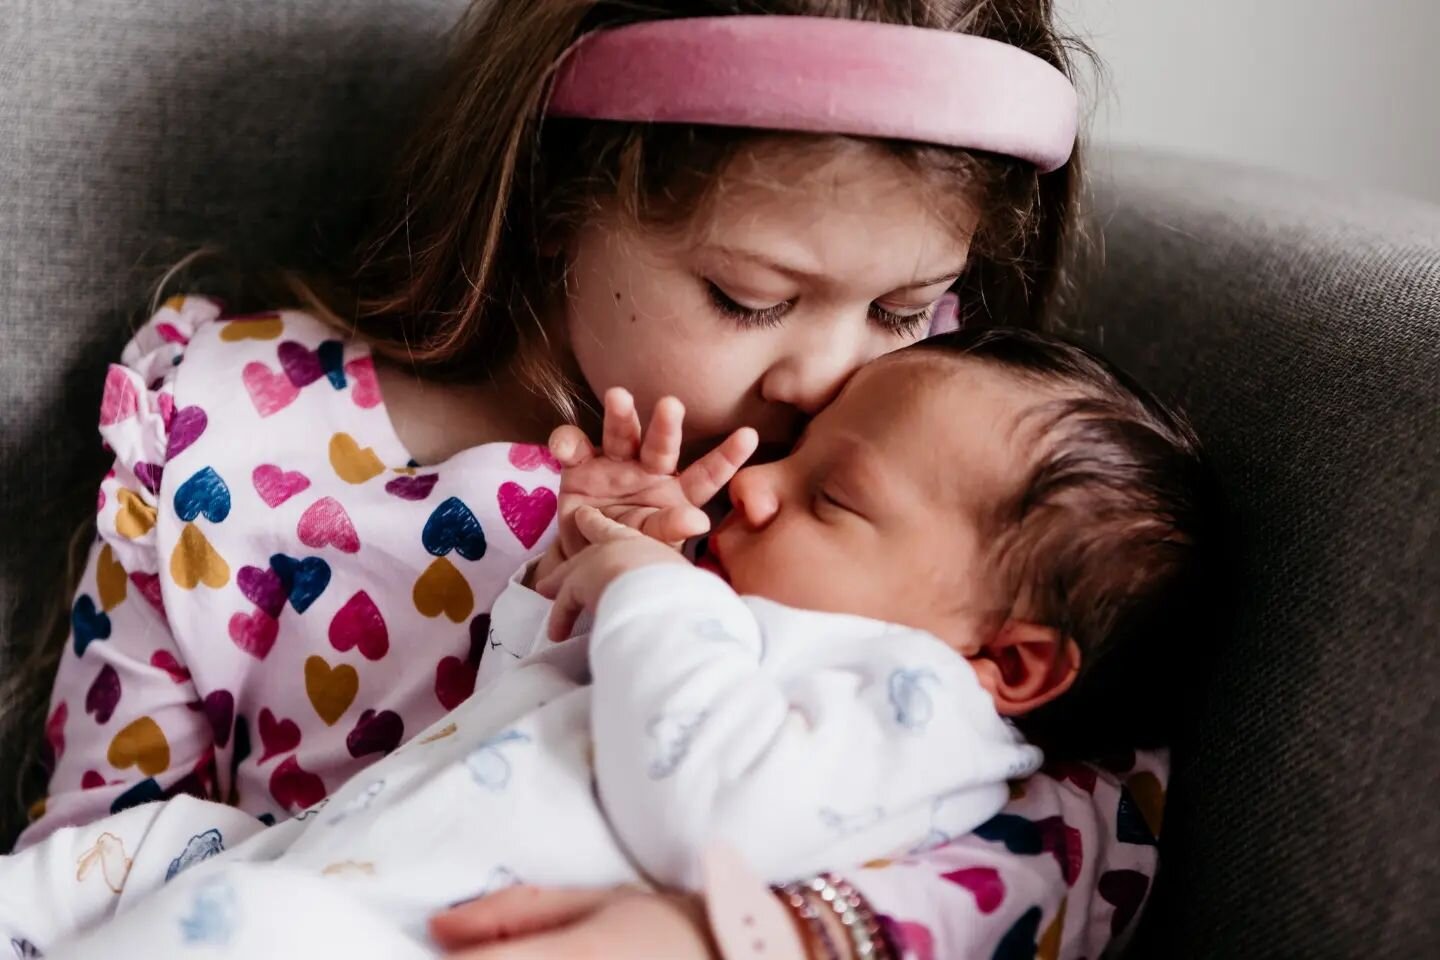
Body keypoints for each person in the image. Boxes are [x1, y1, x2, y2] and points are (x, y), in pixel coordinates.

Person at [9, 1, 1162, 957]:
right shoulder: (229, 429)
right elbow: (105, 842)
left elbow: (1064, 828)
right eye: (752, 299)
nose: (829, 378)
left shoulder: (876, 532)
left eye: (908, 313)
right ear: (563, 205)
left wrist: (730, 938)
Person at [0, 329, 1213, 960]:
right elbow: (509, 702)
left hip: (410, 929)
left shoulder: (919, 706)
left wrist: (651, 593)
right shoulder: (731, 624)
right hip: (329, 854)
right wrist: (576, 568)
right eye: (793, 451)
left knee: (257, 927)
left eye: (831, 498)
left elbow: (717, 816)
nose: (753, 488)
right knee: (153, 849)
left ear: (1007, 662)